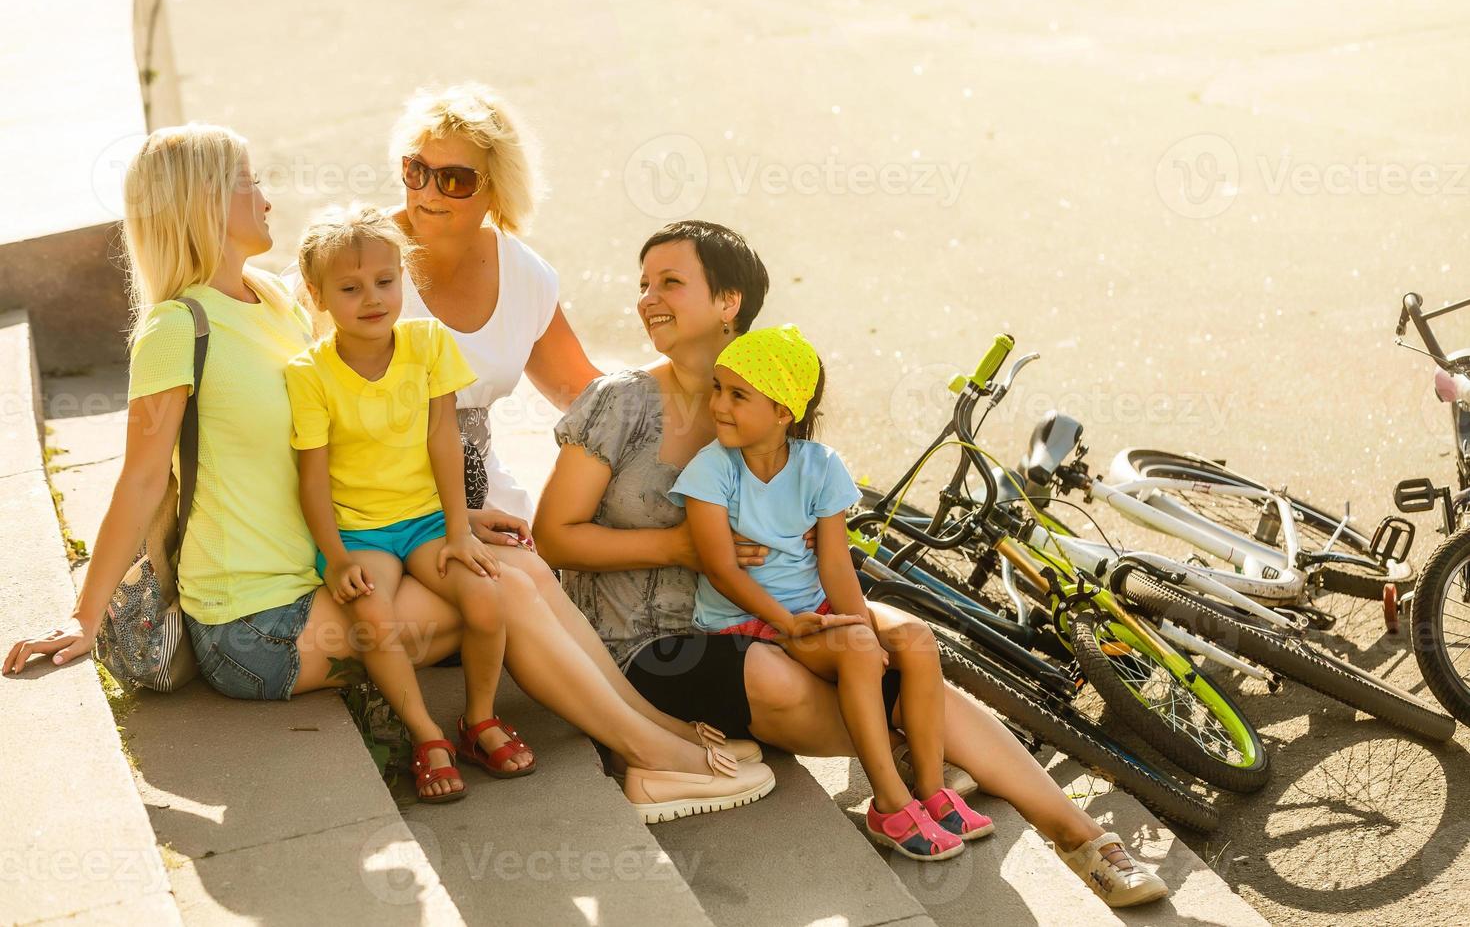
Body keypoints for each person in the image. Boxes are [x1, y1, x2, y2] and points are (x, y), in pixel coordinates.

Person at [2, 125, 775, 825]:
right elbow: (139, 479)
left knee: (516, 565)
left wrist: (459, 519)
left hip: (319, 575)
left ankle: (656, 733)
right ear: (204, 201)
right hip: (259, 624)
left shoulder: (272, 298)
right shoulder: (177, 329)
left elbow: (357, 437)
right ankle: (655, 757)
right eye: (246, 182)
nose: (266, 196)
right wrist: (83, 615)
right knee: (503, 586)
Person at [534, 220, 1170, 904]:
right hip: (652, 644)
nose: (648, 300)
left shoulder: (764, 396)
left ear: (729, 303)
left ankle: (1082, 839)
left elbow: (808, 517)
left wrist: (832, 592)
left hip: (774, 608)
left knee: (900, 638)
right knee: (786, 675)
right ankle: (911, 768)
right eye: (644, 285)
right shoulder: (620, 402)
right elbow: (555, 536)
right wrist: (678, 547)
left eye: (670, 283)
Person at [670, 323, 992, 861]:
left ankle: (932, 791)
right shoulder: (711, 469)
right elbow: (722, 570)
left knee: (914, 639)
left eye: (738, 394)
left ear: (783, 413)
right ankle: (889, 806)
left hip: (811, 613)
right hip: (747, 623)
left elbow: (836, 564)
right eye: (717, 389)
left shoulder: (821, 466)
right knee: (861, 651)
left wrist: (858, 621)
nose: (718, 404)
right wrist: (794, 623)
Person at [288, 202, 533, 802]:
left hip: (427, 522)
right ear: (318, 297)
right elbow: (313, 480)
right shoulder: (311, 373)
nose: (372, 298)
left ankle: (477, 720)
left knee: (484, 597)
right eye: (349, 288)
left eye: (385, 281)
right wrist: (336, 558)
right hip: (360, 536)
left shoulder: (426, 343)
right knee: (375, 619)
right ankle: (426, 735)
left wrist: (458, 531)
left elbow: (442, 441)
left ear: (404, 279)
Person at [284, 83, 600, 520]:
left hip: (481, 502)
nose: (428, 193)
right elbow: (281, 380)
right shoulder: (353, 259)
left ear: (496, 189)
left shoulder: (524, 275)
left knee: (538, 584)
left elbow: (585, 394)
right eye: (417, 171)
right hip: (372, 514)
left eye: (455, 180)